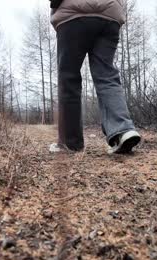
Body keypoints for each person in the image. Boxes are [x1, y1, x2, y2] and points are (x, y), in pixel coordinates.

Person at [49, 0, 141, 154]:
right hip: (109, 15)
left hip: (72, 14)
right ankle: (123, 130)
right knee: (107, 75)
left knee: (69, 77)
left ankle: (70, 144)